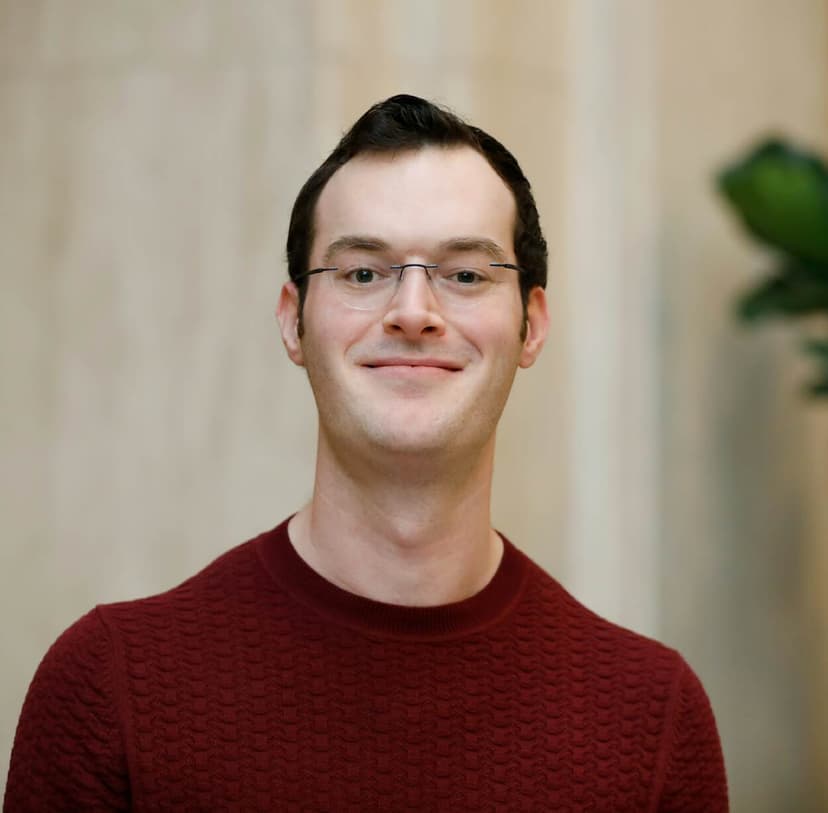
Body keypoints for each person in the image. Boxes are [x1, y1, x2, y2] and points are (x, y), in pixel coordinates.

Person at [5, 94, 728, 811]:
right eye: (362, 273)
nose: (413, 312)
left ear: (531, 325)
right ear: (293, 321)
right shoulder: (111, 688)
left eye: (465, 274)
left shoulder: (650, 717)